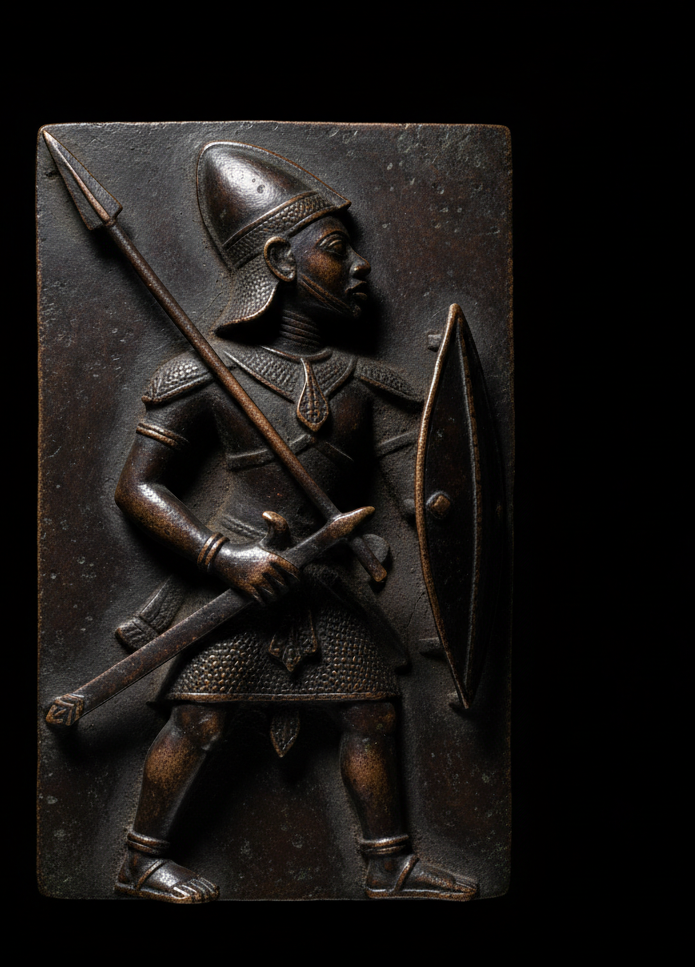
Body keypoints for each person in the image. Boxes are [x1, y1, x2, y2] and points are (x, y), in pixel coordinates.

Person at [112, 141, 477, 903]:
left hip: (328, 584)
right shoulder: (206, 375)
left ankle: (387, 863)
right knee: (201, 719)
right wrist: (221, 556)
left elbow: (423, 492)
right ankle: (140, 859)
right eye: (337, 250)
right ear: (279, 260)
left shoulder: (363, 384)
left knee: (370, 712)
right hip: (242, 585)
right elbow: (138, 489)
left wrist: (445, 527)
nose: (361, 268)